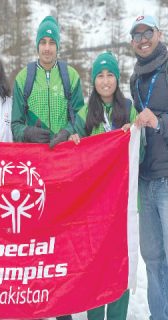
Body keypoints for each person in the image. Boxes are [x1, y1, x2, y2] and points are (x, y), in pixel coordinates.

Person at [11, 15, 85, 320]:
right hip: (34, 171)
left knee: (62, 237)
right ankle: (36, 299)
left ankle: (62, 303)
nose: (47, 47)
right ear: (36, 44)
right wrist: (27, 134)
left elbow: (82, 114)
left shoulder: (72, 77)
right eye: (42, 41)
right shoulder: (22, 78)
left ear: (58, 46)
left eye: (52, 42)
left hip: (64, 166)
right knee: (35, 238)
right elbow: (14, 125)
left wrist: (68, 129)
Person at [68, 51, 136, 319]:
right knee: (95, 265)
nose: (105, 81)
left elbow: (139, 155)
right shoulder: (85, 113)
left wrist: (135, 135)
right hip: (95, 205)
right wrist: (73, 139)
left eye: (110, 75)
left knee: (120, 263)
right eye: (100, 75)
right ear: (93, 81)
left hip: (123, 202)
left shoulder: (130, 109)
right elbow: (74, 154)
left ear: (117, 79)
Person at [130, 15, 168, 320]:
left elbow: (157, 121)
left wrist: (159, 122)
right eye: (137, 35)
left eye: (148, 33)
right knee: (153, 259)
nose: (143, 39)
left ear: (159, 34)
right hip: (145, 182)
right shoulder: (135, 77)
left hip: (167, 180)